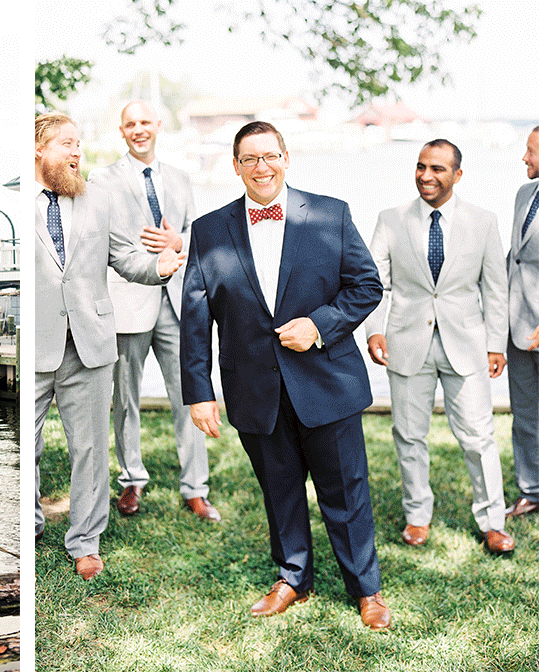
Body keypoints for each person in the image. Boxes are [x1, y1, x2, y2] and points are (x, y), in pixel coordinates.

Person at [180, 121, 390, 630]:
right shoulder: (209, 229)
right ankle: (293, 577)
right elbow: (195, 315)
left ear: (286, 157)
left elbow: (366, 286)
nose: (261, 167)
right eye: (249, 159)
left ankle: (366, 589)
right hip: (254, 389)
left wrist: (319, 326)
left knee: (345, 489)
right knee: (280, 490)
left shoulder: (329, 214)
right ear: (235, 166)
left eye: (269, 156)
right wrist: (199, 393)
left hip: (327, 382)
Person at [35, 112, 185, 580]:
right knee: (31, 445)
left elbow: (124, 256)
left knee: (90, 449)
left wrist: (160, 266)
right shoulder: (22, 200)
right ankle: (33, 521)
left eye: (79, 144)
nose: (76, 152)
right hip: (36, 346)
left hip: (91, 344)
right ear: (39, 149)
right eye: (66, 144)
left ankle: (85, 540)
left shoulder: (96, 197)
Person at [364, 139, 513, 554]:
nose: (426, 176)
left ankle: (493, 520)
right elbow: (375, 283)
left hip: (466, 344)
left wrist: (496, 344)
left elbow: (495, 288)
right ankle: (417, 516)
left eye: (437, 169)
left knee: (479, 436)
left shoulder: (483, 221)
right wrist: (375, 330)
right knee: (409, 435)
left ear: (457, 175)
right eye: (420, 167)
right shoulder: (390, 219)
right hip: (405, 343)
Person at [88, 101, 218, 521]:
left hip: (178, 302)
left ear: (159, 126)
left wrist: (178, 242)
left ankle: (195, 488)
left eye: (146, 122)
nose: (139, 129)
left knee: (190, 395)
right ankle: (131, 481)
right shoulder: (102, 179)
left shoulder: (180, 178)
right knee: (126, 399)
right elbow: (101, 239)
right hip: (128, 299)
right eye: (131, 124)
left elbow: (196, 232)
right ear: (121, 131)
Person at [506, 125, 539, 519]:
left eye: (531, 152)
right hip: (517, 328)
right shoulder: (523, 194)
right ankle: (531, 490)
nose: (525, 158)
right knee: (526, 417)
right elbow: (513, 256)